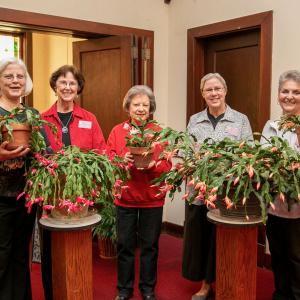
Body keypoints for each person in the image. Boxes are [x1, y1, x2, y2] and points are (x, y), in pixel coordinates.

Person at [182, 73, 253, 300]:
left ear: (225, 91)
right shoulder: (195, 120)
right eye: (208, 90)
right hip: (199, 191)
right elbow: (186, 152)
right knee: (201, 238)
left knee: (221, 239)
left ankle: (227, 279)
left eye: (217, 89)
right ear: (202, 94)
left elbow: (249, 153)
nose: (214, 93)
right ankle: (205, 284)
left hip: (226, 193)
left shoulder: (240, 120)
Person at [40, 65, 106, 300]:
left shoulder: (89, 118)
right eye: (63, 83)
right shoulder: (42, 119)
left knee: (79, 247)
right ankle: (53, 293)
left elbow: (101, 152)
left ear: (78, 89)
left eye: (72, 83)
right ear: (55, 87)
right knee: (50, 250)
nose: (67, 87)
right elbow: (37, 155)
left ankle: (79, 291)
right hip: (53, 195)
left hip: (81, 195)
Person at [107, 85, 172, 300]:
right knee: (124, 245)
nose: (141, 108)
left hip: (152, 198)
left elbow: (167, 166)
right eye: (136, 104)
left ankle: (147, 289)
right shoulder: (117, 131)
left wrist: (153, 164)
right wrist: (122, 161)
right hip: (125, 198)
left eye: (145, 105)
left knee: (149, 247)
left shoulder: (159, 132)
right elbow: (109, 161)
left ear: (151, 107)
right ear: (128, 108)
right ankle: (124, 290)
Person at [261, 70, 300, 300]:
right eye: (285, 91)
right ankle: (280, 294)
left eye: (296, 92)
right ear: (278, 95)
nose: (290, 96)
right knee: (277, 253)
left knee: (296, 257)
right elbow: (263, 160)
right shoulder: (271, 126)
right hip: (274, 204)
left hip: (297, 208)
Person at [0, 57, 37, 300]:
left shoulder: (32, 114)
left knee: (21, 255)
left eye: (20, 76)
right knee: (1, 254)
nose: (15, 80)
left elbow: (38, 151)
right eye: (9, 76)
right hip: (0, 196)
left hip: (26, 195)